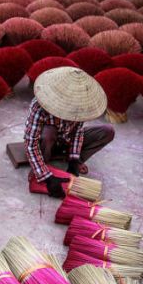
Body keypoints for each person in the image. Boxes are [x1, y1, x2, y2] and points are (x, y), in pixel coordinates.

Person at [24, 67, 115, 198]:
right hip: (45, 142)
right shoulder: (39, 107)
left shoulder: (81, 105)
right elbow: (30, 144)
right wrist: (46, 177)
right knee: (49, 133)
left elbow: (78, 133)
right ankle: (43, 167)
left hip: (66, 140)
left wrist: (74, 160)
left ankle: (75, 162)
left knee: (107, 131)